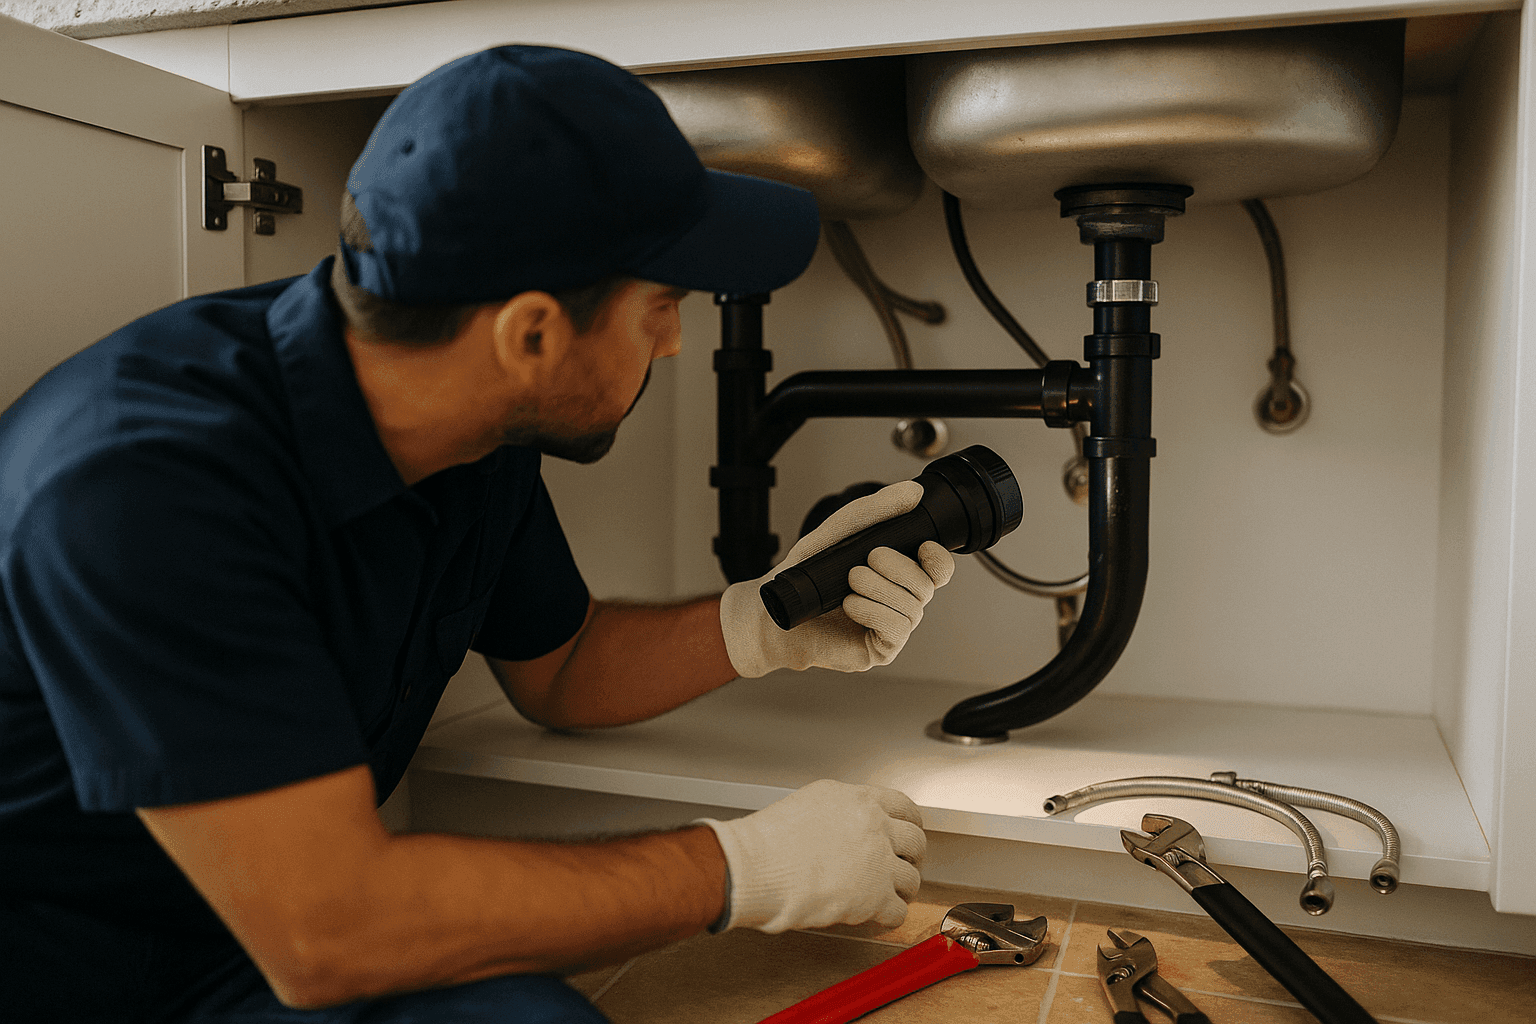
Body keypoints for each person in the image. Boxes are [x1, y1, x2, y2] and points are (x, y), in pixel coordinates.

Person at [0, 45, 955, 1023]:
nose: (674, 341)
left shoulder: (471, 429)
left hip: (237, 952)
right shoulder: (143, 484)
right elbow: (333, 931)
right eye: (661, 305)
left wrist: (762, 623)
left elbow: (564, 663)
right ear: (531, 334)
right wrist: (736, 868)